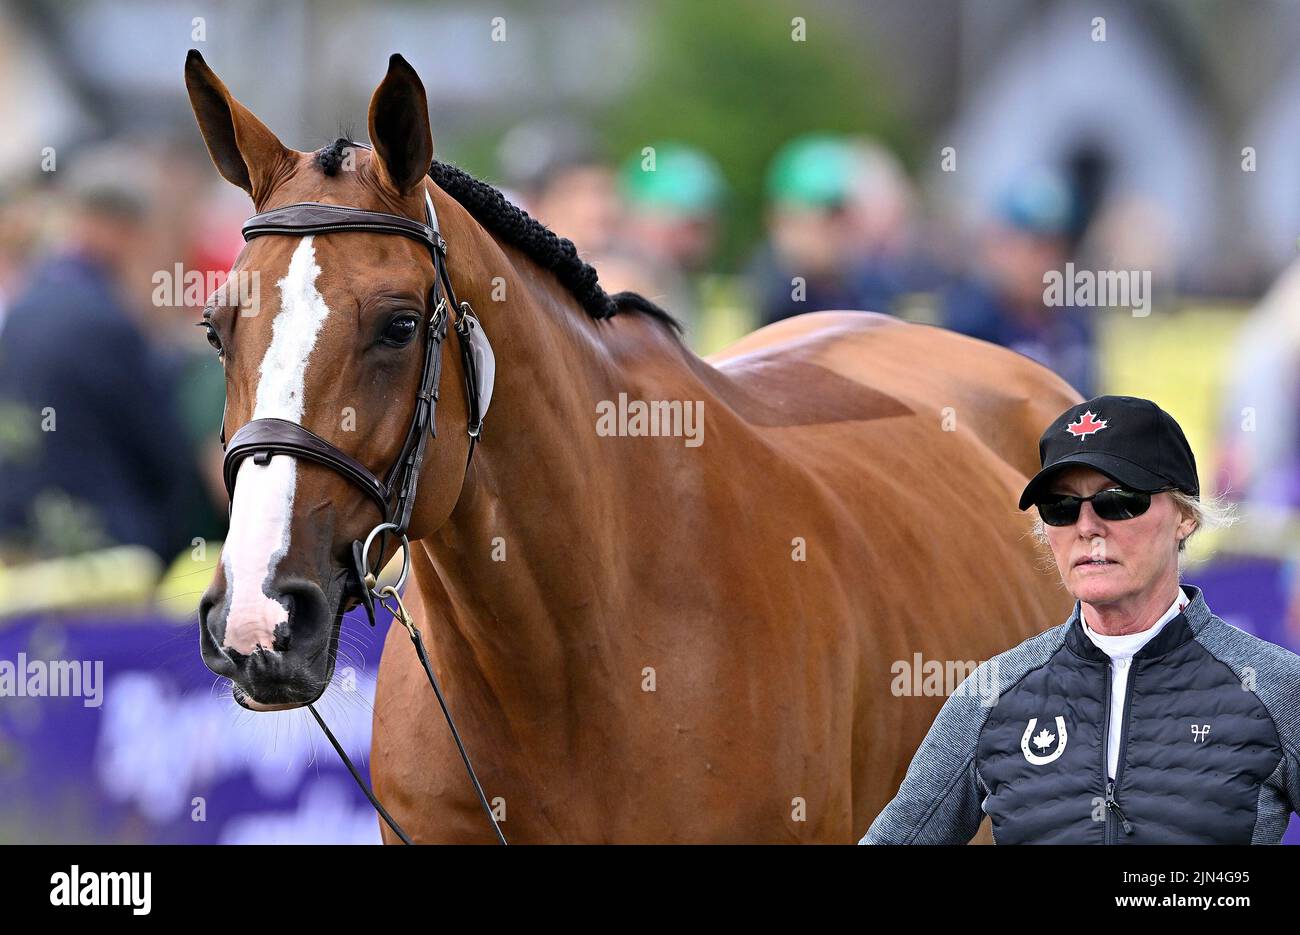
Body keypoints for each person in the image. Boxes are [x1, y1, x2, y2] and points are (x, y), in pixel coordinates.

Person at [861, 395, 1300, 844]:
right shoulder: (990, 693)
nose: (1087, 525)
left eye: (1118, 500)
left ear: (1185, 516)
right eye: (1061, 507)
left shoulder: (1278, 688)